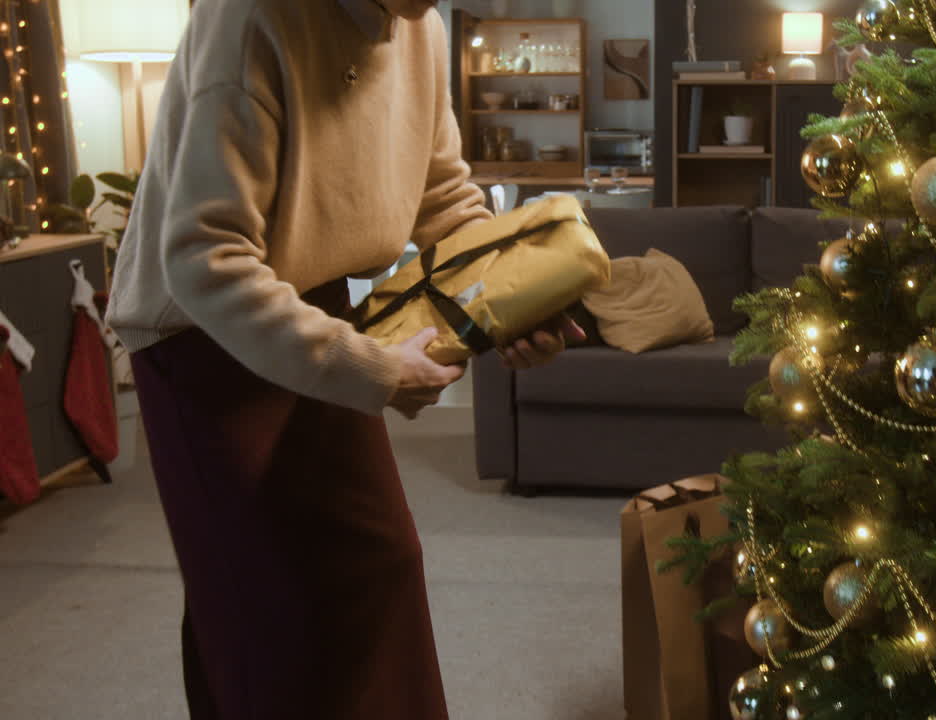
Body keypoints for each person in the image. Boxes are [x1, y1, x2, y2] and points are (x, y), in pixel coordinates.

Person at [105, 0, 582, 717]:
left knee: (381, 564)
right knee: (262, 607)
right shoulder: (251, 17)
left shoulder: (422, 26)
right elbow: (204, 261)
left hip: (314, 304)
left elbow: (447, 199)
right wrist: (376, 372)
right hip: (198, 333)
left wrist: (511, 304)